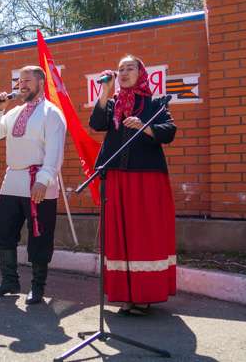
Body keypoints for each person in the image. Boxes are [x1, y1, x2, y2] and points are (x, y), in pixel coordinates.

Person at [89, 54, 177, 316]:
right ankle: (124, 293)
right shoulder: (112, 103)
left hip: (146, 179)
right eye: (120, 69)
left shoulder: (155, 103)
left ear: (141, 73)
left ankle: (144, 294)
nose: (124, 72)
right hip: (115, 176)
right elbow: (96, 124)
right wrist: (105, 90)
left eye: (130, 68)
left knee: (143, 233)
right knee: (119, 233)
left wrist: (144, 126)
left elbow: (169, 131)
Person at [0, 65, 66, 304]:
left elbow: (54, 151)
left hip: (39, 182)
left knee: (40, 236)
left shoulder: (52, 113)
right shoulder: (14, 112)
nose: (22, 85)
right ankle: (9, 281)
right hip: (13, 180)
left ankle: (37, 287)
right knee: (4, 231)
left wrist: (43, 181)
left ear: (41, 83)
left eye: (28, 80)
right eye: (20, 81)